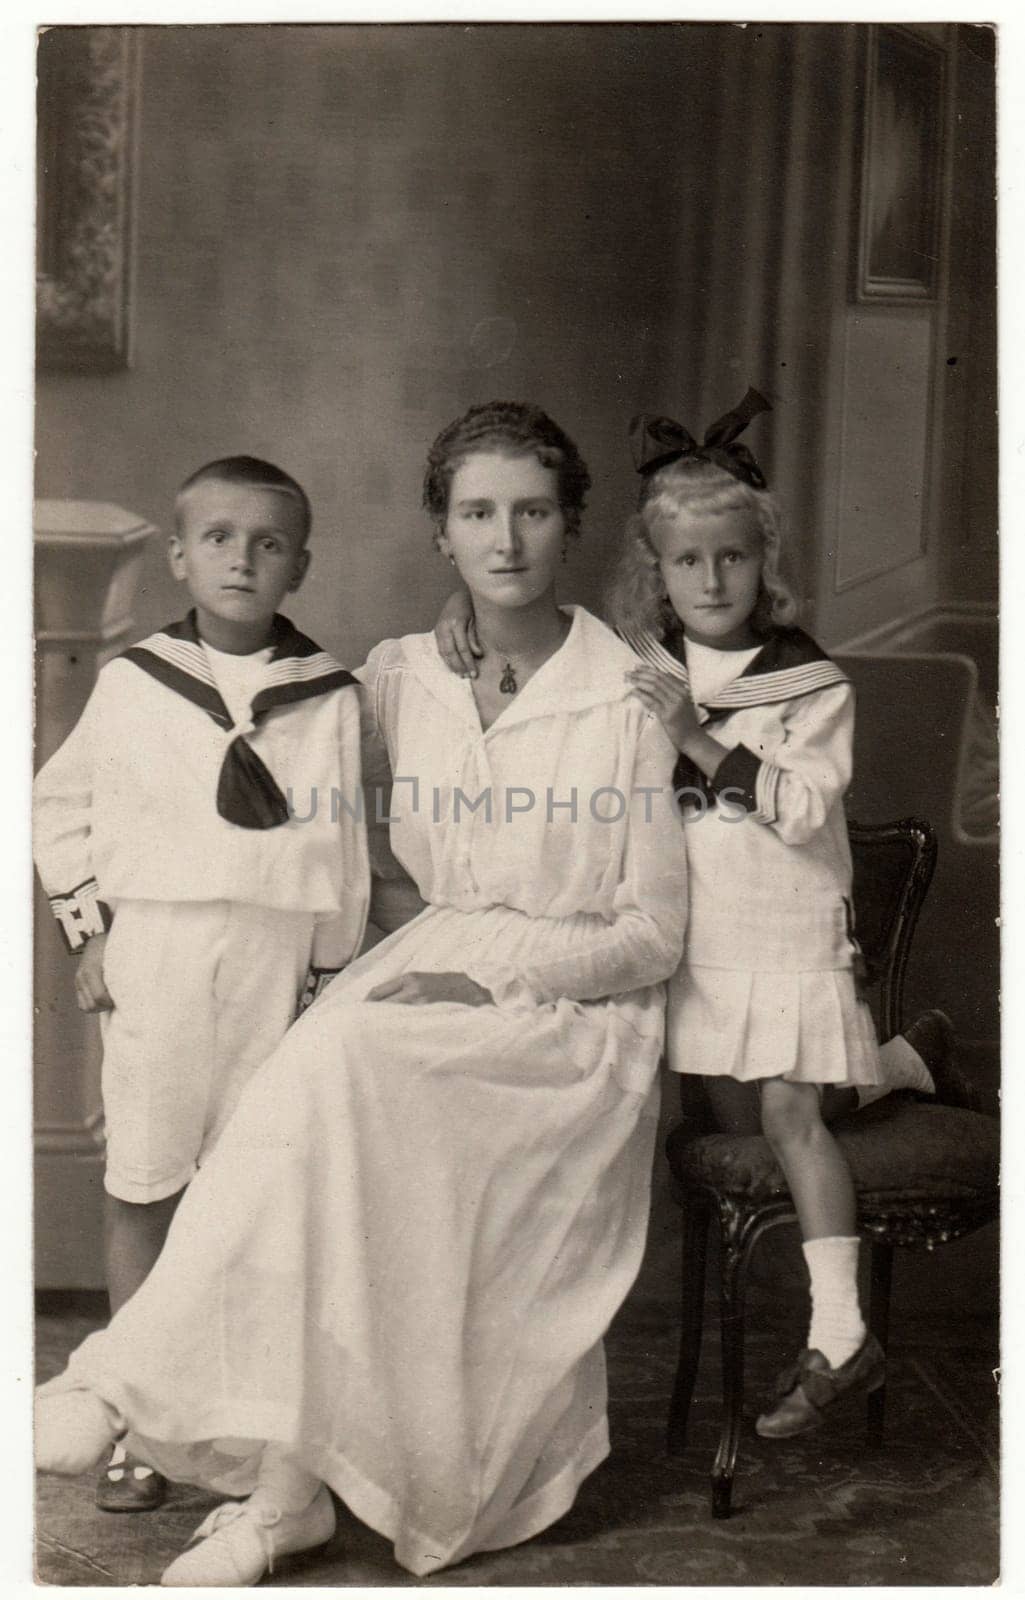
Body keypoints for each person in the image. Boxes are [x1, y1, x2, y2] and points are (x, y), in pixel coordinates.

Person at [35, 402, 689, 1584]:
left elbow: (649, 932)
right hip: (426, 968)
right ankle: (283, 1484)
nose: (504, 542)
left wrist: (490, 974)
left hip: (572, 1016)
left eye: (531, 512)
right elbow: (343, 833)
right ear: (441, 533)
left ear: (572, 525)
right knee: (303, 1083)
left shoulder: (628, 691)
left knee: (334, 1071)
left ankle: (128, 1385)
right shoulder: (395, 673)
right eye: (476, 513)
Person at [433, 391, 970, 1440]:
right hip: (698, 943)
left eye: (729, 559)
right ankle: (905, 1062)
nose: (711, 581)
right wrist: (463, 615)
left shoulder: (808, 682)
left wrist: (696, 737)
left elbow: (802, 804)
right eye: (687, 563)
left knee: (783, 1116)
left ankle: (838, 1332)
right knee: (739, 1119)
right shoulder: (646, 664)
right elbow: (550, 654)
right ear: (657, 571)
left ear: (761, 565)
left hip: (779, 927)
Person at [32, 455, 369, 1511]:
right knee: (146, 1179)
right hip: (160, 956)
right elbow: (59, 808)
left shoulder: (327, 694)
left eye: (268, 543)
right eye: (219, 537)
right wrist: (89, 933)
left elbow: (345, 851)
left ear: (298, 566)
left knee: (249, 1198)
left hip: (277, 961)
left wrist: (326, 979)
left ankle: (228, 1426)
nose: (242, 557)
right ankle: (137, 1418)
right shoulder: (136, 683)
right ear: (179, 555)